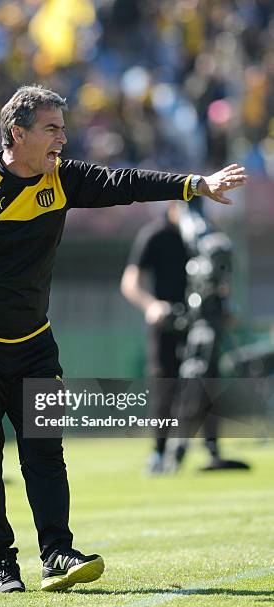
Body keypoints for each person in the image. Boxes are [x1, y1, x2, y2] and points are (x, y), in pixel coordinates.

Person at [0, 85, 247, 593]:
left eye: (64, 127)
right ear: (17, 133)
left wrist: (196, 184)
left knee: (44, 452)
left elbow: (125, 182)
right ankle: (3, 566)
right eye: (52, 128)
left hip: (35, 345)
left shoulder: (62, 179)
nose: (64, 137)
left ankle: (57, 552)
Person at [120, 201, 248, 472]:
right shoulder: (155, 234)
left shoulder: (207, 236)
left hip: (201, 319)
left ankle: (213, 450)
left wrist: (224, 304)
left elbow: (222, 276)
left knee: (206, 383)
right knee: (164, 384)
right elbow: (130, 282)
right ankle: (159, 453)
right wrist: (151, 305)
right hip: (166, 320)